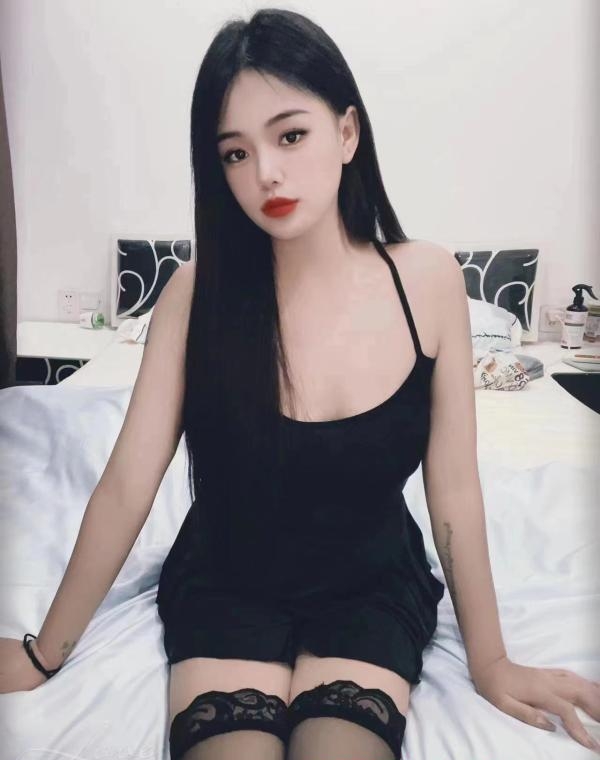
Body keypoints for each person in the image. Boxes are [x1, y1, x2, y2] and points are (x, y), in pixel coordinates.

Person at [1, 7, 599, 760]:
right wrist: (45, 652)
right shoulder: (194, 295)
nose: (266, 174)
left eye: (289, 136)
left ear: (347, 133)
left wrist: (492, 661)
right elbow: (127, 485)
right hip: (228, 580)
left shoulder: (429, 279)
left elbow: (453, 489)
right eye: (235, 153)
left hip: (371, 585)